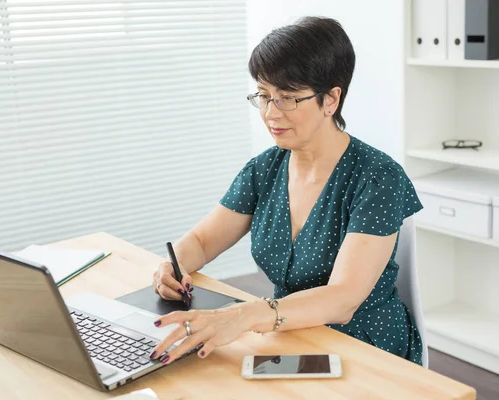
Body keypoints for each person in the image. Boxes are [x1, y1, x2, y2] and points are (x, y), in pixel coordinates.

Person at [148, 16, 424, 366]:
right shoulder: (265, 169)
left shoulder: (378, 178)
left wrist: (246, 316)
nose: (270, 113)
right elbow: (203, 240)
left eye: (288, 98)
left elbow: (343, 299)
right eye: (264, 96)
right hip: (291, 336)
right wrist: (172, 268)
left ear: (331, 100)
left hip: (365, 347)